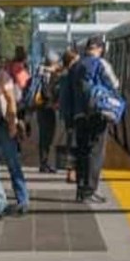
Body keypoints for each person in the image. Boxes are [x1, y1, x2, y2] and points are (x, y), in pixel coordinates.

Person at [69, 36, 120, 204]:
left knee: (82, 151)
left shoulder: (75, 65)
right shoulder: (101, 64)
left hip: (78, 115)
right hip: (97, 114)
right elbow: (115, 84)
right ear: (100, 48)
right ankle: (90, 190)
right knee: (95, 153)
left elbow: (68, 91)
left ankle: (80, 190)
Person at [0, 58, 30, 215]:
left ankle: (22, 199)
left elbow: (10, 99)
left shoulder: (2, 75)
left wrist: (12, 124)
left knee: (10, 162)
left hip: (2, 122)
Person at [30, 51, 61, 173]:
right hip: (45, 108)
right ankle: (44, 163)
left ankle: (45, 162)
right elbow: (47, 91)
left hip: (43, 108)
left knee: (47, 136)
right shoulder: (46, 73)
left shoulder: (44, 72)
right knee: (46, 136)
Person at [57, 48, 79, 184]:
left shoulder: (65, 75)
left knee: (72, 143)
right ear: (71, 61)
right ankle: (72, 173)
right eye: (76, 59)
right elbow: (67, 98)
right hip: (72, 115)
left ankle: (71, 172)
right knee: (73, 144)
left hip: (69, 115)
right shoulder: (69, 75)